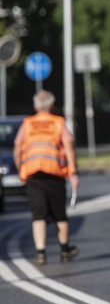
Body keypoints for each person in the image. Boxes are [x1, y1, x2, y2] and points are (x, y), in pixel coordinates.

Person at [13, 90, 80, 265]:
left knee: (38, 214)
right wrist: (73, 173)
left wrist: (21, 169)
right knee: (59, 214)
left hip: (33, 174)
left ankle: (40, 252)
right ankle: (65, 249)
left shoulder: (27, 124)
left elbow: (17, 146)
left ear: (36, 105)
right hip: (54, 173)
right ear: (51, 105)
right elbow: (69, 146)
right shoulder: (58, 122)